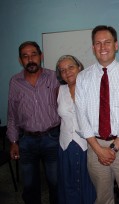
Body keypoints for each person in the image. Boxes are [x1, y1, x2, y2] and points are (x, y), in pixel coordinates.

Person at [75, 25, 119, 204]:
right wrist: (98, 149)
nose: (102, 47)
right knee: (103, 198)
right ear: (92, 48)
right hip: (94, 145)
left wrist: (112, 149)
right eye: (98, 43)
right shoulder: (82, 77)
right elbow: (81, 115)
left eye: (107, 42)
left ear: (116, 45)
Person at [7, 41, 60, 204]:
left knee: (55, 183)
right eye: (25, 56)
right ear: (20, 60)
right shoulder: (15, 82)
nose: (30, 59)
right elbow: (12, 114)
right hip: (26, 140)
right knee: (29, 186)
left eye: (33, 55)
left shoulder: (54, 77)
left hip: (52, 138)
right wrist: (14, 141)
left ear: (41, 56)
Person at [56, 55, 96, 204]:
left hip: (87, 145)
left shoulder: (91, 88)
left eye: (71, 67)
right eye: (62, 70)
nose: (67, 72)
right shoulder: (59, 90)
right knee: (67, 183)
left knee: (88, 183)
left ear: (79, 67)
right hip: (65, 145)